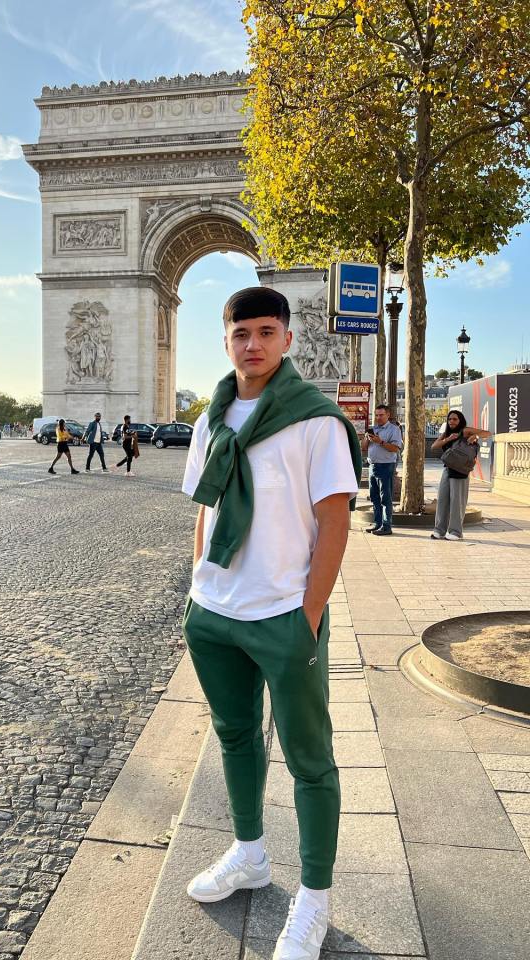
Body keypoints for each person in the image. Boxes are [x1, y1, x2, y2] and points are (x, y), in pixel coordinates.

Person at [181, 287, 362, 960]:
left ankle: (315, 898)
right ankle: (250, 854)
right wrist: (198, 590)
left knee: (311, 761)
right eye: (239, 333)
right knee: (235, 739)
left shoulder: (314, 421)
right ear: (226, 342)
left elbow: (336, 522)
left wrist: (308, 617)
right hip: (216, 615)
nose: (251, 343)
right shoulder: (212, 418)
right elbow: (204, 506)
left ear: (287, 339)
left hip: (283, 617)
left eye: (264, 331)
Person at [431, 409, 491, 541]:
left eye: (455, 419)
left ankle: (455, 532)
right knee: (442, 500)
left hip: (461, 470)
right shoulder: (447, 433)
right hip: (447, 469)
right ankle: (439, 530)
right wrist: (448, 438)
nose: (451, 421)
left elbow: (487, 433)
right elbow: (434, 446)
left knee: (457, 502)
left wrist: (475, 436)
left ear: (460, 420)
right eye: (450, 419)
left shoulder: (465, 430)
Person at [363, 404, 403, 536]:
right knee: (374, 497)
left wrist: (380, 442)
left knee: (385, 497)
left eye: (381, 415)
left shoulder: (394, 429)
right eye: (376, 415)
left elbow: (395, 448)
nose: (378, 418)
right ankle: (378, 523)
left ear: (388, 415)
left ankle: (387, 526)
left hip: (386, 466)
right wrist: (367, 439)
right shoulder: (374, 429)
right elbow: (363, 448)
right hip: (372, 466)